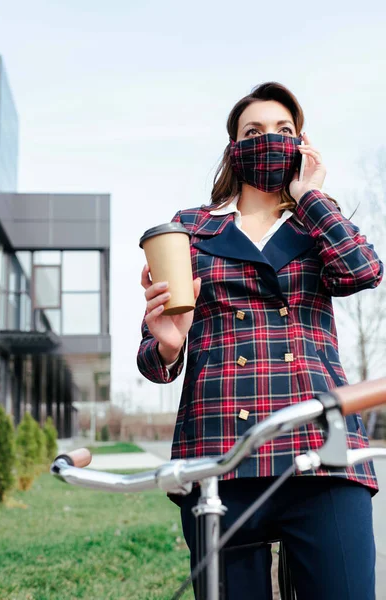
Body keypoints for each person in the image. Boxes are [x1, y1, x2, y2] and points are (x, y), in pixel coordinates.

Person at [137, 82, 383, 600]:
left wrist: (309, 194)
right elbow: (155, 362)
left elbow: (364, 272)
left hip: (323, 448)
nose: (268, 139)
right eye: (254, 131)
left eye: (283, 130)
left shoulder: (318, 222)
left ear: (301, 145)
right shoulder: (189, 229)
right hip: (220, 450)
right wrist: (167, 344)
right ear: (233, 148)